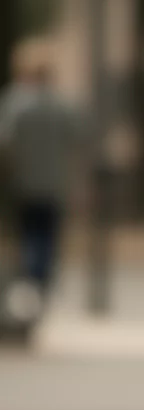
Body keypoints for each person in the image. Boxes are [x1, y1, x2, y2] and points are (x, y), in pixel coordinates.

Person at [0, 37, 86, 306]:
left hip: (23, 183)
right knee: (48, 237)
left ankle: (30, 283)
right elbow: (79, 139)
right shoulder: (60, 105)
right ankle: (41, 283)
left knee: (27, 234)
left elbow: (6, 142)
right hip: (54, 184)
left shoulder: (15, 101)